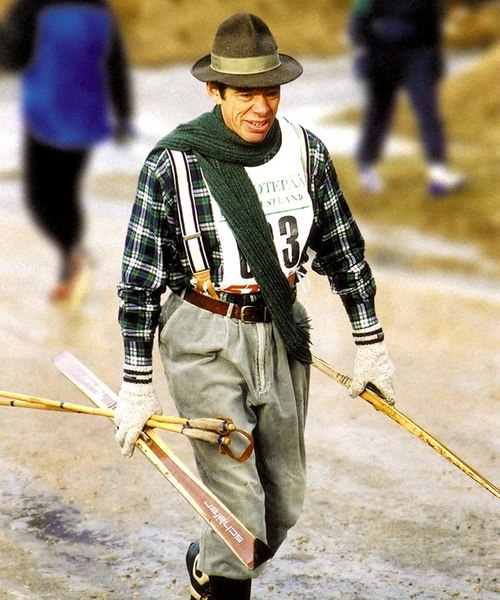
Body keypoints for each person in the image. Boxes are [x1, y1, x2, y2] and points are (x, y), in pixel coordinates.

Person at [114, 12, 396, 600]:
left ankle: (210, 563)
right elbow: (139, 282)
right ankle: (226, 572)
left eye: (271, 91)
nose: (261, 107)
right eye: (245, 94)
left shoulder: (306, 152)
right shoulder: (174, 164)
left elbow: (342, 249)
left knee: (283, 501)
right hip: (205, 337)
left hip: (283, 333)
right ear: (214, 91)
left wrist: (370, 344)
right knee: (236, 506)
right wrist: (136, 384)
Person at [0, 0, 133, 302]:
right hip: (86, 116)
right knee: (65, 194)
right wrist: (123, 115)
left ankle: (73, 255)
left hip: (47, 117)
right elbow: (115, 65)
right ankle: (71, 267)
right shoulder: (99, 8)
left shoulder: (33, 7)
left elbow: (12, 60)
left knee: (40, 199)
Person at [349, 0, 467, 197]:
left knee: (427, 109)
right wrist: (366, 51)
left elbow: (434, 19)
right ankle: (367, 169)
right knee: (379, 110)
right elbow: (359, 19)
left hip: (417, 51)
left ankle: (438, 174)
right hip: (382, 50)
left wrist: (434, 61)